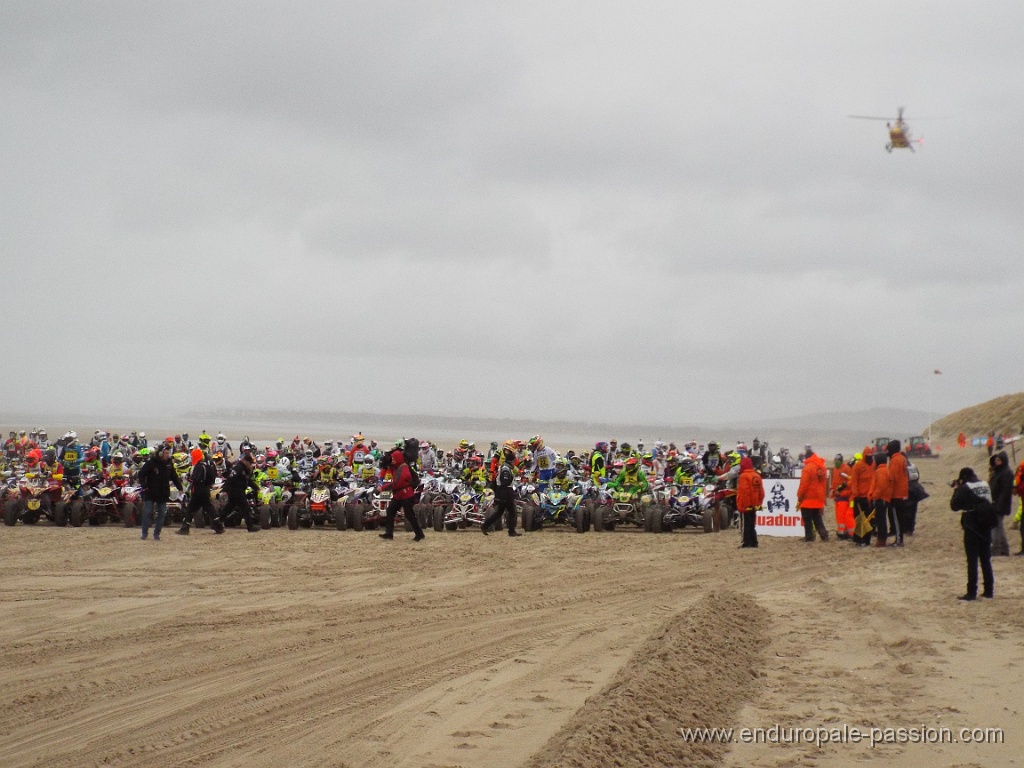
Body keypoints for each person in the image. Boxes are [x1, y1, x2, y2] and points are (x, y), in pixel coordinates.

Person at [950, 467, 995, 600]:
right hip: (986, 525)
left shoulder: (965, 487)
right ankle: (989, 590)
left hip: (972, 526)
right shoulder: (985, 484)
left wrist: (957, 489)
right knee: (986, 559)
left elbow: (954, 506)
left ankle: (971, 592)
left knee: (972, 560)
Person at [137, 443, 182, 541]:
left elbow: (174, 476)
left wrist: (180, 487)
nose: (167, 455)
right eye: (166, 453)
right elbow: (141, 474)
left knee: (162, 513)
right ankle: (144, 533)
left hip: (163, 492)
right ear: (161, 453)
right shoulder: (151, 462)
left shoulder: (169, 464)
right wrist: (144, 486)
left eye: (168, 453)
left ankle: (156, 534)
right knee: (147, 512)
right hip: (151, 492)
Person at [379, 447, 424, 541]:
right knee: (390, 511)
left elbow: (398, 483)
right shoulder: (398, 467)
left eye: (394, 459)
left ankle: (419, 534)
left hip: (406, 495)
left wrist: (383, 488)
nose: (392, 460)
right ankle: (389, 533)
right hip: (399, 495)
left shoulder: (403, 468)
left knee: (409, 515)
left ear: (398, 459)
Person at [177, 449, 223, 535]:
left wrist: (187, 477)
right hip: (205, 490)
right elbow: (212, 479)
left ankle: (185, 528)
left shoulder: (198, 467)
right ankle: (219, 526)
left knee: (190, 509)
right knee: (209, 508)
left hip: (198, 491)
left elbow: (195, 479)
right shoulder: (208, 466)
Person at [482, 442, 521, 536]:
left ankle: (485, 526)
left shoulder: (503, 468)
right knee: (512, 512)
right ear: (510, 462)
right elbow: (505, 482)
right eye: (513, 462)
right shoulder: (506, 470)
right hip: (505, 492)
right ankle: (511, 531)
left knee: (499, 512)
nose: (513, 464)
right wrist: (506, 495)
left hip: (502, 492)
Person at [220, 453, 261, 532]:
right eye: (250, 463)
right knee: (245, 508)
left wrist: (256, 488)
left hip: (239, 490)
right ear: (245, 461)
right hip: (236, 491)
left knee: (228, 509)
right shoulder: (238, 468)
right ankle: (250, 526)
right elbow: (230, 478)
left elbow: (248, 480)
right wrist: (224, 490)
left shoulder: (245, 469)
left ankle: (217, 522)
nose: (250, 465)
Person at [796, 448, 829, 542]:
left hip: (808, 499)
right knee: (818, 519)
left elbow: (804, 484)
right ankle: (824, 535)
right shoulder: (821, 467)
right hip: (818, 499)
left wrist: (799, 495)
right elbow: (824, 484)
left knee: (807, 520)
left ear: (807, 457)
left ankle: (809, 537)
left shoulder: (807, 468)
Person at [988, 451, 1013, 557]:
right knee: (999, 526)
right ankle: (1004, 549)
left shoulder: (1006, 473)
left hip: (1000, 504)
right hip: (995, 502)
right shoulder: (998, 472)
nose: (996, 461)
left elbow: (1005, 491)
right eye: (996, 460)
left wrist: (998, 505)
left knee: (995, 527)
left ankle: (996, 549)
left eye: (998, 460)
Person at [736, 457, 764, 549]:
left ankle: (746, 542)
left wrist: (746, 505)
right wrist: (758, 503)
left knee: (745, 525)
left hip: (746, 505)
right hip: (755, 504)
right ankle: (754, 542)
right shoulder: (757, 475)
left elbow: (745, 492)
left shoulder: (743, 476)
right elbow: (761, 492)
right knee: (752, 524)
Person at [887, 440, 910, 547]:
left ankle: (899, 540)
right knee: (901, 518)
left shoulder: (895, 460)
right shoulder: (903, 458)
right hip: (903, 492)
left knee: (896, 518)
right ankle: (899, 538)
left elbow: (892, 478)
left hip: (896, 494)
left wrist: (888, 493)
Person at [869, 453, 893, 547]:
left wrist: (874, 496)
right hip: (884, 498)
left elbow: (881, 486)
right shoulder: (885, 470)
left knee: (881, 520)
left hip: (881, 499)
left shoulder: (881, 471)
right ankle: (881, 539)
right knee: (881, 519)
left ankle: (881, 540)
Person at [830, 454, 853, 540]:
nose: (836, 463)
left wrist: (842, 493)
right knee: (839, 517)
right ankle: (841, 532)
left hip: (844, 497)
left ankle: (843, 533)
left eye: (837, 461)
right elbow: (834, 481)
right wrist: (832, 489)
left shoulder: (846, 468)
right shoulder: (835, 469)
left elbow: (850, 483)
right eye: (835, 461)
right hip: (837, 497)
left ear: (841, 461)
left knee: (842, 516)